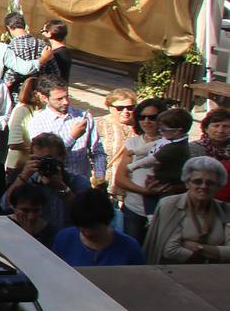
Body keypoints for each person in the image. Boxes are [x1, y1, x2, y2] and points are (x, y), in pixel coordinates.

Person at [144, 156, 230, 264]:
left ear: (219, 186)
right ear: (187, 183)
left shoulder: (226, 210)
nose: (203, 186)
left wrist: (198, 247)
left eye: (210, 183)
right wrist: (212, 255)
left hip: (215, 275)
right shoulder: (171, 205)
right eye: (197, 181)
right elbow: (170, 250)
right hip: (174, 274)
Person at [1, 133, 90, 233]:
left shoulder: (78, 182)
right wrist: (23, 176)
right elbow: (5, 205)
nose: (43, 163)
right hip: (38, 238)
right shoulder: (29, 181)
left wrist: (61, 187)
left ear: (62, 157)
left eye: (48, 159)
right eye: (38, 159)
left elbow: (87, 214)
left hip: (67, 238)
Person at [27, 77, 105, 184]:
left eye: (67, 97)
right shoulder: (37, 122)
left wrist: (99, 177)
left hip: (81, 181)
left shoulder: (82, 117)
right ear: (45, 98)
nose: (66, 102)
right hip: (53, 182)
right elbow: (45, 156)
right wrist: (72, 137)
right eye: (59, 99)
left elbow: (97, 151)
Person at [113, 99, 164, 242]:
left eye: (152, 117)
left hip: (161, 209)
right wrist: (145, 192)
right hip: (133, 208)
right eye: (142, 117)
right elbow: (120, 178)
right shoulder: (133, 143)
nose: (147, 121)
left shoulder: (170, 143)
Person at [53, 188, 145, 266]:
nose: (88, 233)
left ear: (108, 221)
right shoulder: (64, 239)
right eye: (83, 227)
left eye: (94, 227)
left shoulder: (130, 248)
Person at [42, 18, 72, 83]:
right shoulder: (65, 51)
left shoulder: (56, 54)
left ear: (49, 34)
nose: (42, 33)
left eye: (43, 31)